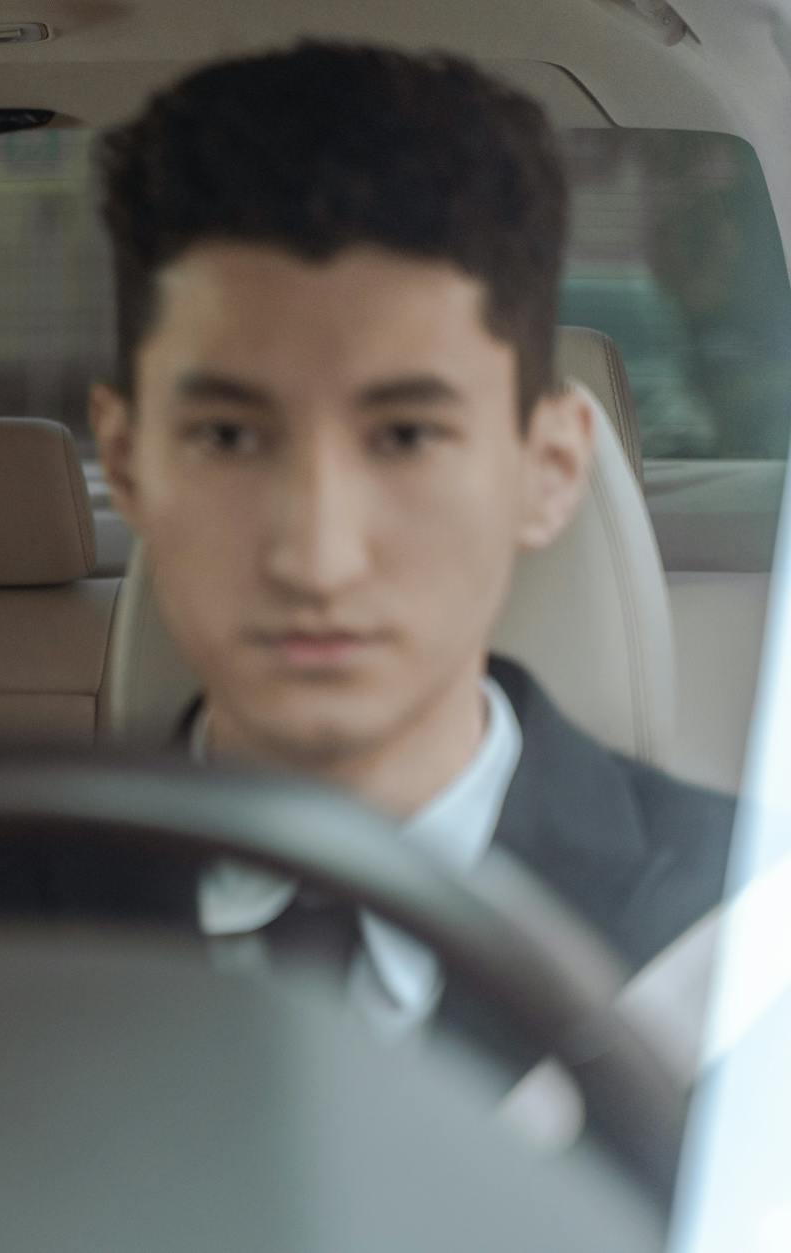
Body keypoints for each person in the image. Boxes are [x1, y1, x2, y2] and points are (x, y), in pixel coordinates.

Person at [86, 42, 733, 1034]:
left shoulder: (745, 931)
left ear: (547, 470)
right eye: (226, 435)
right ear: (126, 464)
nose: (316, 558)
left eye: (405, 436)